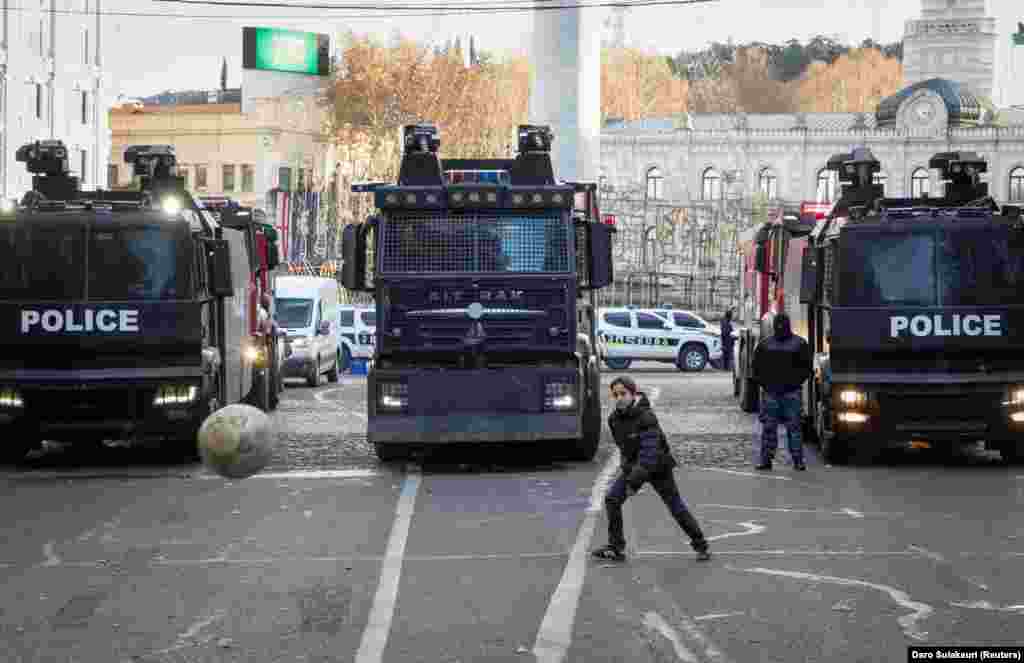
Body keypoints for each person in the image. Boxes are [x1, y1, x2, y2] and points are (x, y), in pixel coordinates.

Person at [591, 376, 711, 562]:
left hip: (658, 466)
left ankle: (700, 544)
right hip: (634, 467)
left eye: (623, 393)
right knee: (612, 499)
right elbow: (625, 449)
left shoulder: (646, 417)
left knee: (675, 505)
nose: (619, 398)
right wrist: (628, 471)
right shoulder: (614, 419)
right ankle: (616, 546)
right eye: (615, 395)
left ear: (633, 394)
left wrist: (633, 483)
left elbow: (649, 454)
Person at [751, 313, 813, 471]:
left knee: (777, 428)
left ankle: (771, 460)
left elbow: (756, 368)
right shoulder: (798, 344)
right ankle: (795, 460)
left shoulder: (766, 344)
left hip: (779, 392)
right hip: (784, 392)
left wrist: (766, 385)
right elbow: (806, 369)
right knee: (786, 428)